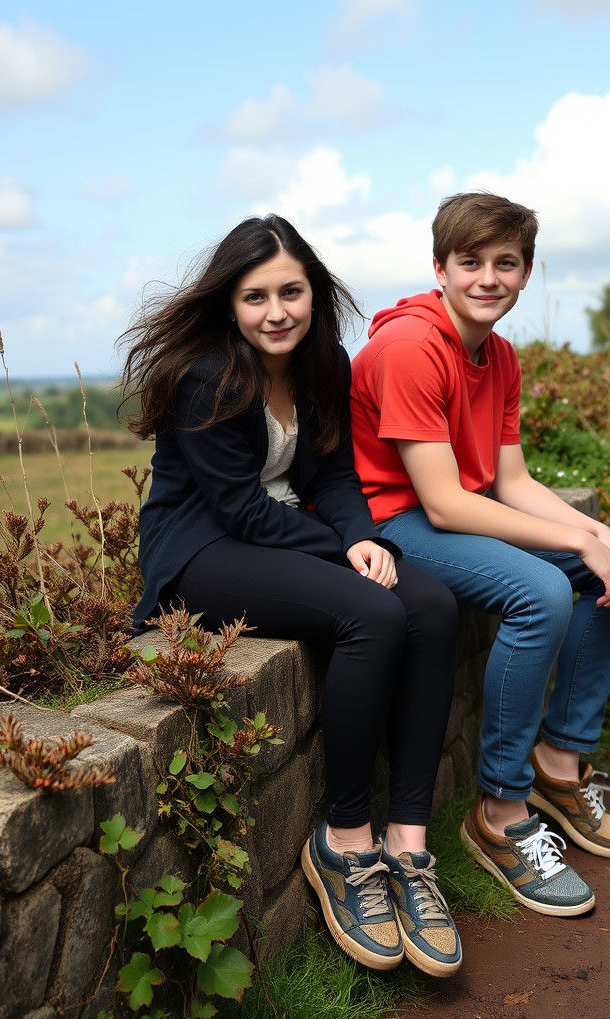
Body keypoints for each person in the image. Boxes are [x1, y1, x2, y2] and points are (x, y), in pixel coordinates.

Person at [119, 215, 462, 976]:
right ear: (229, 303)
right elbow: (240, 510)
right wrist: (343, 550)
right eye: (256, 297)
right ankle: (345, 842)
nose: (276, 312)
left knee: (432, 606)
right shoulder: (207, 375)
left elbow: (333, 476)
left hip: (285, 531)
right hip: (203, 549)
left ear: (315, 293)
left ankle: (408, 845)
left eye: (291, 292)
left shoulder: (324, 362)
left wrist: (363, 537)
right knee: (372, 613)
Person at [350, 192, 610, 917]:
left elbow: (511, 481)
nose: (489, 278)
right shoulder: (410, 347)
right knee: (540, 592)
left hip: (450, 512)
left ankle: (559, 762)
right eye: (471, 262)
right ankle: (501, 811)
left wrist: (600, 537)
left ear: (526, 273)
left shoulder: (499, 355)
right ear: (440, 268)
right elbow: (444, 504)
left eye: (506, 263)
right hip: (394, 523)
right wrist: (578, 538)